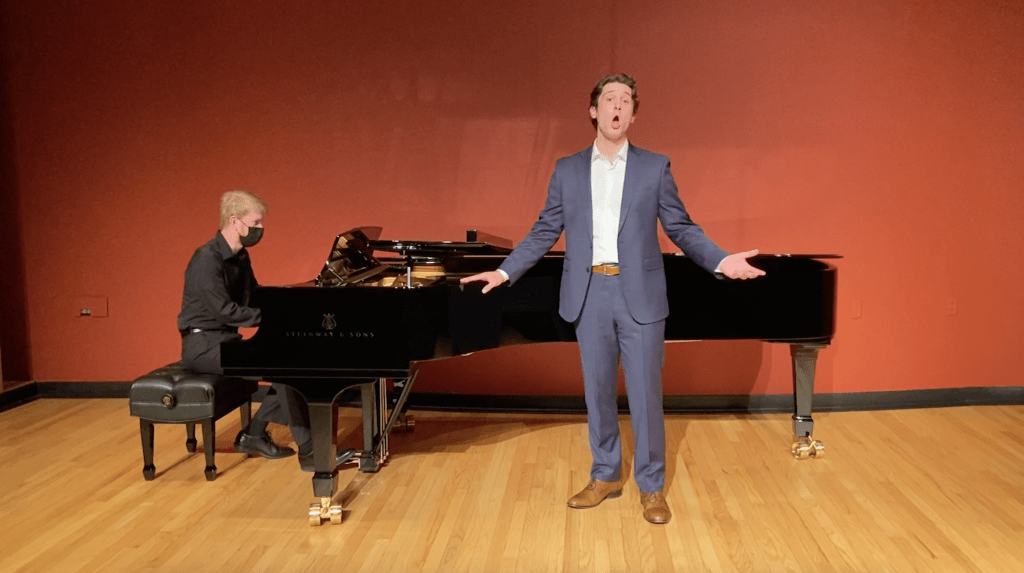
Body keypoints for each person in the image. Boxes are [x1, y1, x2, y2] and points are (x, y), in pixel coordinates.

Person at [461, 74, 765, 524]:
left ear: (633, 114)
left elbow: (681, 228)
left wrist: (721, 261)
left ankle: (651, 486)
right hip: (589, 295)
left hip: (639, 294)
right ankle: (605, 475)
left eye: (625, 101)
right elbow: (546, 229)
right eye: (609, 99)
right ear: (594, 111)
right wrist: (505, 270)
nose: (617, 107)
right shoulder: (566, 170)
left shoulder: (654, 167)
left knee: (645, 395)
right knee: (598, 393)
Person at [177, 190, 352, 471]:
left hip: (226, 340)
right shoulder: (206, 259)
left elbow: (254, 295)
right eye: (256, 223)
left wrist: (293, 305)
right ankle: (310, 451)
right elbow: (226, 311)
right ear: (235, 222)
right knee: (283, 368)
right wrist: (275, 317)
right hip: (203, 346)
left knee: (289, 366)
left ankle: (254, 434)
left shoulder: (239, 256)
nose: (260, 229)